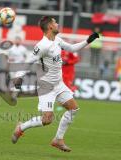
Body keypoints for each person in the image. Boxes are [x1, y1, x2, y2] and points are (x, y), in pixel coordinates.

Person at [11, 16, 99, 152]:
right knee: (47, 120)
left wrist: (88, 40)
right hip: (46, 87)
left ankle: (58, 139)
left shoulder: (57, 40)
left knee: (73, 109)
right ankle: (21, 127)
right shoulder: (42, 46)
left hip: (59, 84)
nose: (57, 24)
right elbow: (28, 61)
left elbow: (72, 48)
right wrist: (19, 77)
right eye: (55, 22)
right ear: (50, 27)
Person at [7, 36, 27, 100]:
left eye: (18, 40)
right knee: (13, 81)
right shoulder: (11, 48)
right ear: (14, 41)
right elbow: (8, 58)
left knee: (18, 81)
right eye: (16, 40)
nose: (17, 41)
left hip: (20, 67)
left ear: (20, 41)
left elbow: (26, 58)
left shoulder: (23, 49)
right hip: (12, 67)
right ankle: (14, 92)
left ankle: (14, 96)